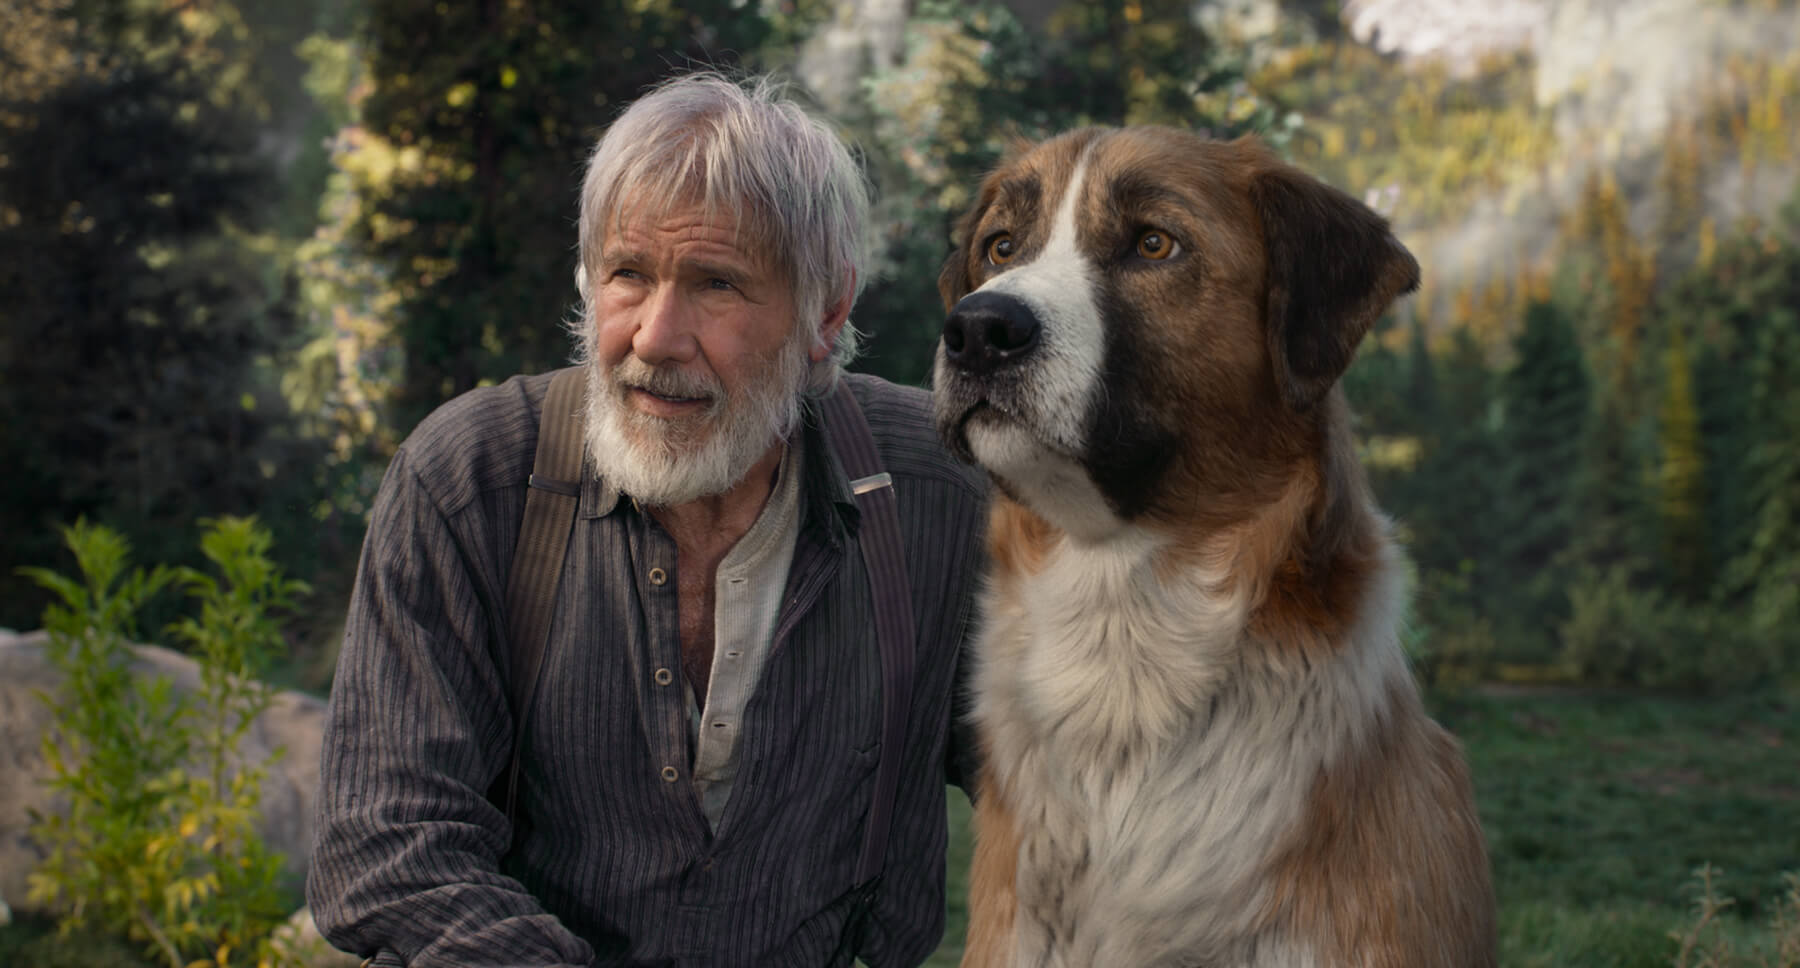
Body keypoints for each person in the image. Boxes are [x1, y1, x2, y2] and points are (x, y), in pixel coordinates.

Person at [307, 72, 988, 967]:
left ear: (826, 314)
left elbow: (1070, 789)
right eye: (628, 273)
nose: (655, 337)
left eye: (716, 284)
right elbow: (388, 844)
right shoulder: (474, 479)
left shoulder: (934, 492)